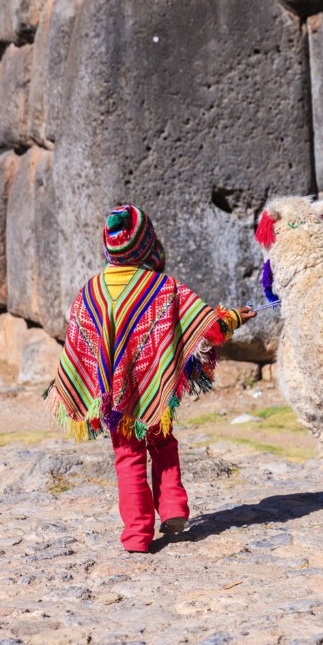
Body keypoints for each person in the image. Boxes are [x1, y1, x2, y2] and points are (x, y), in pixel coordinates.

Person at [44, 204, 256, 552]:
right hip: (154, 388)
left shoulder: (91, 292)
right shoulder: (164, 287)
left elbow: (80, 340)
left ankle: (137, 535)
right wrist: (234, 317)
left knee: (126, 457)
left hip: (112, 397)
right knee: (162, 444)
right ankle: (172, 507)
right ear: (146, 243)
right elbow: (208, 326)